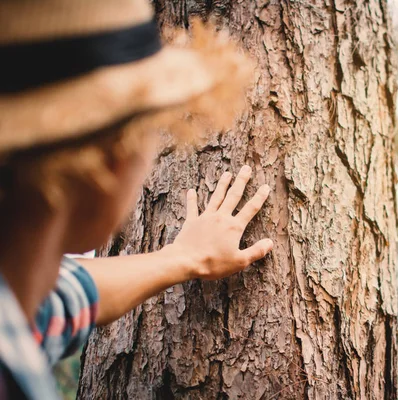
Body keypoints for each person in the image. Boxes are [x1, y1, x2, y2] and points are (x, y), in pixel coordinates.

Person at [0, 1, 273, 399]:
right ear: (111, 162)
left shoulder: (18, 304)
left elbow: (63, 294)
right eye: (152, 127)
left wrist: (183, 258)